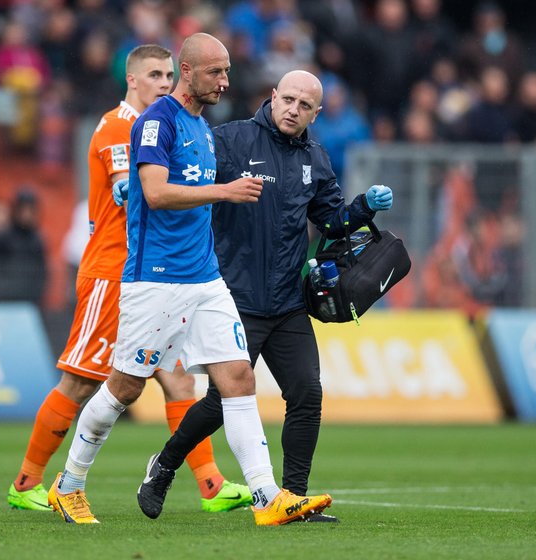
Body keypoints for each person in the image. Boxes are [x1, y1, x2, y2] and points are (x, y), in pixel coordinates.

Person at [47, 33, 332, 526]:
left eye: (227, 71)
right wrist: (225, 191)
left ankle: (269, 498)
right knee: (125, 389)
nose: (226, 81)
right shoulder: (157, 122)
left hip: (205, 279)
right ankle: (68, 483)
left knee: (238, 379)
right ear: (189, 70)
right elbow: (155, 193)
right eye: (217, 72)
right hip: (155, 278)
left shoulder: (202, 126)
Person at [132, 70, 393, 524]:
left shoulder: (315, 156)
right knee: (219, 403)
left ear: (317, 112)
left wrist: (364, 207)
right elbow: (182, 178)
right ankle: (163, 467)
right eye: (287, 99)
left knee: (307, 394)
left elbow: (331, 223)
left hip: (289, 301)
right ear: (272, 97)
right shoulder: (230, 140)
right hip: (234, 298)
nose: (293, 109)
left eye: (304, 104)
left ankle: (293, 497)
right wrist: (131, 191)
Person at [6, 44, 252, 514]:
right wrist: (135, 184)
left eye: (167, 75)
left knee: (179, 382)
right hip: (114, 273)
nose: (163, 83)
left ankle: (211, 485)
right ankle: (28, 481)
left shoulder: (177, 125)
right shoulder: (121, 125)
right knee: (81, 383)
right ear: (132, 80)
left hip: (166, 278)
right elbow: (133, 180)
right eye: (154, 75)